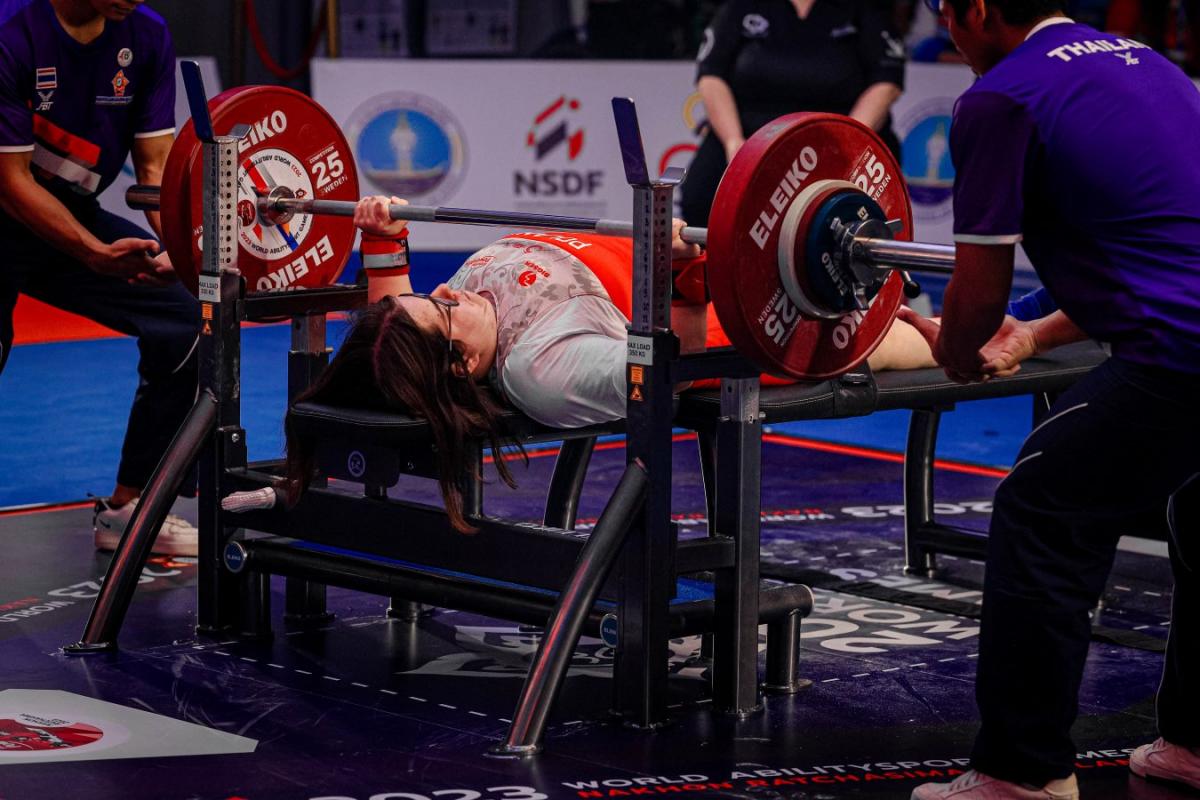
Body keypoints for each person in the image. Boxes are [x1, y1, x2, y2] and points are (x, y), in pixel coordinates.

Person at [896, 1, 1200, 798]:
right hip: (1185, 335)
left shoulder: (1002, 96)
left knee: (1045, 504)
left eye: (946, 12)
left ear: (983, 8)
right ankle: (1196, 747)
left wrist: (957, 348)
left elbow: (979, 289)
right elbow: (1151, 257)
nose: (949, 34)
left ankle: (1019, 776)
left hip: (1183, 356)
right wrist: (1031, 338)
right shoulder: (1150, 67)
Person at [280, 195, 941, 532]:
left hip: (705, 273)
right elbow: (673, 369)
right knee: (887, 338)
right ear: (463, 365)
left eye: (433, 298)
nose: (448, 292)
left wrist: (383, 239)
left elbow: (397, 334)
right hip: (744, 319)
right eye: (444, 313)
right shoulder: (544, 367)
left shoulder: (433, 333)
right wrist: (684, 275)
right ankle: (964, 335)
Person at [0, 0, 200, 556]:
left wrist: (185, 251)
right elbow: (10, 182)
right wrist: (92, 253)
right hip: (8, 203)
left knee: (184, 315)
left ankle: (128, 509)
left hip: (67, 211)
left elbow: (155, 172)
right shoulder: (11, 32)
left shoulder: (148, 34)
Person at [680, 0, 907, 228]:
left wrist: (849, 143)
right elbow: (711, 76)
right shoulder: (740, 7)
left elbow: (886, 82)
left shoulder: (865, 9)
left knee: (858, 218)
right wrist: (733, 142)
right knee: (698, 197)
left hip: (838, 141)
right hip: (751, 139)